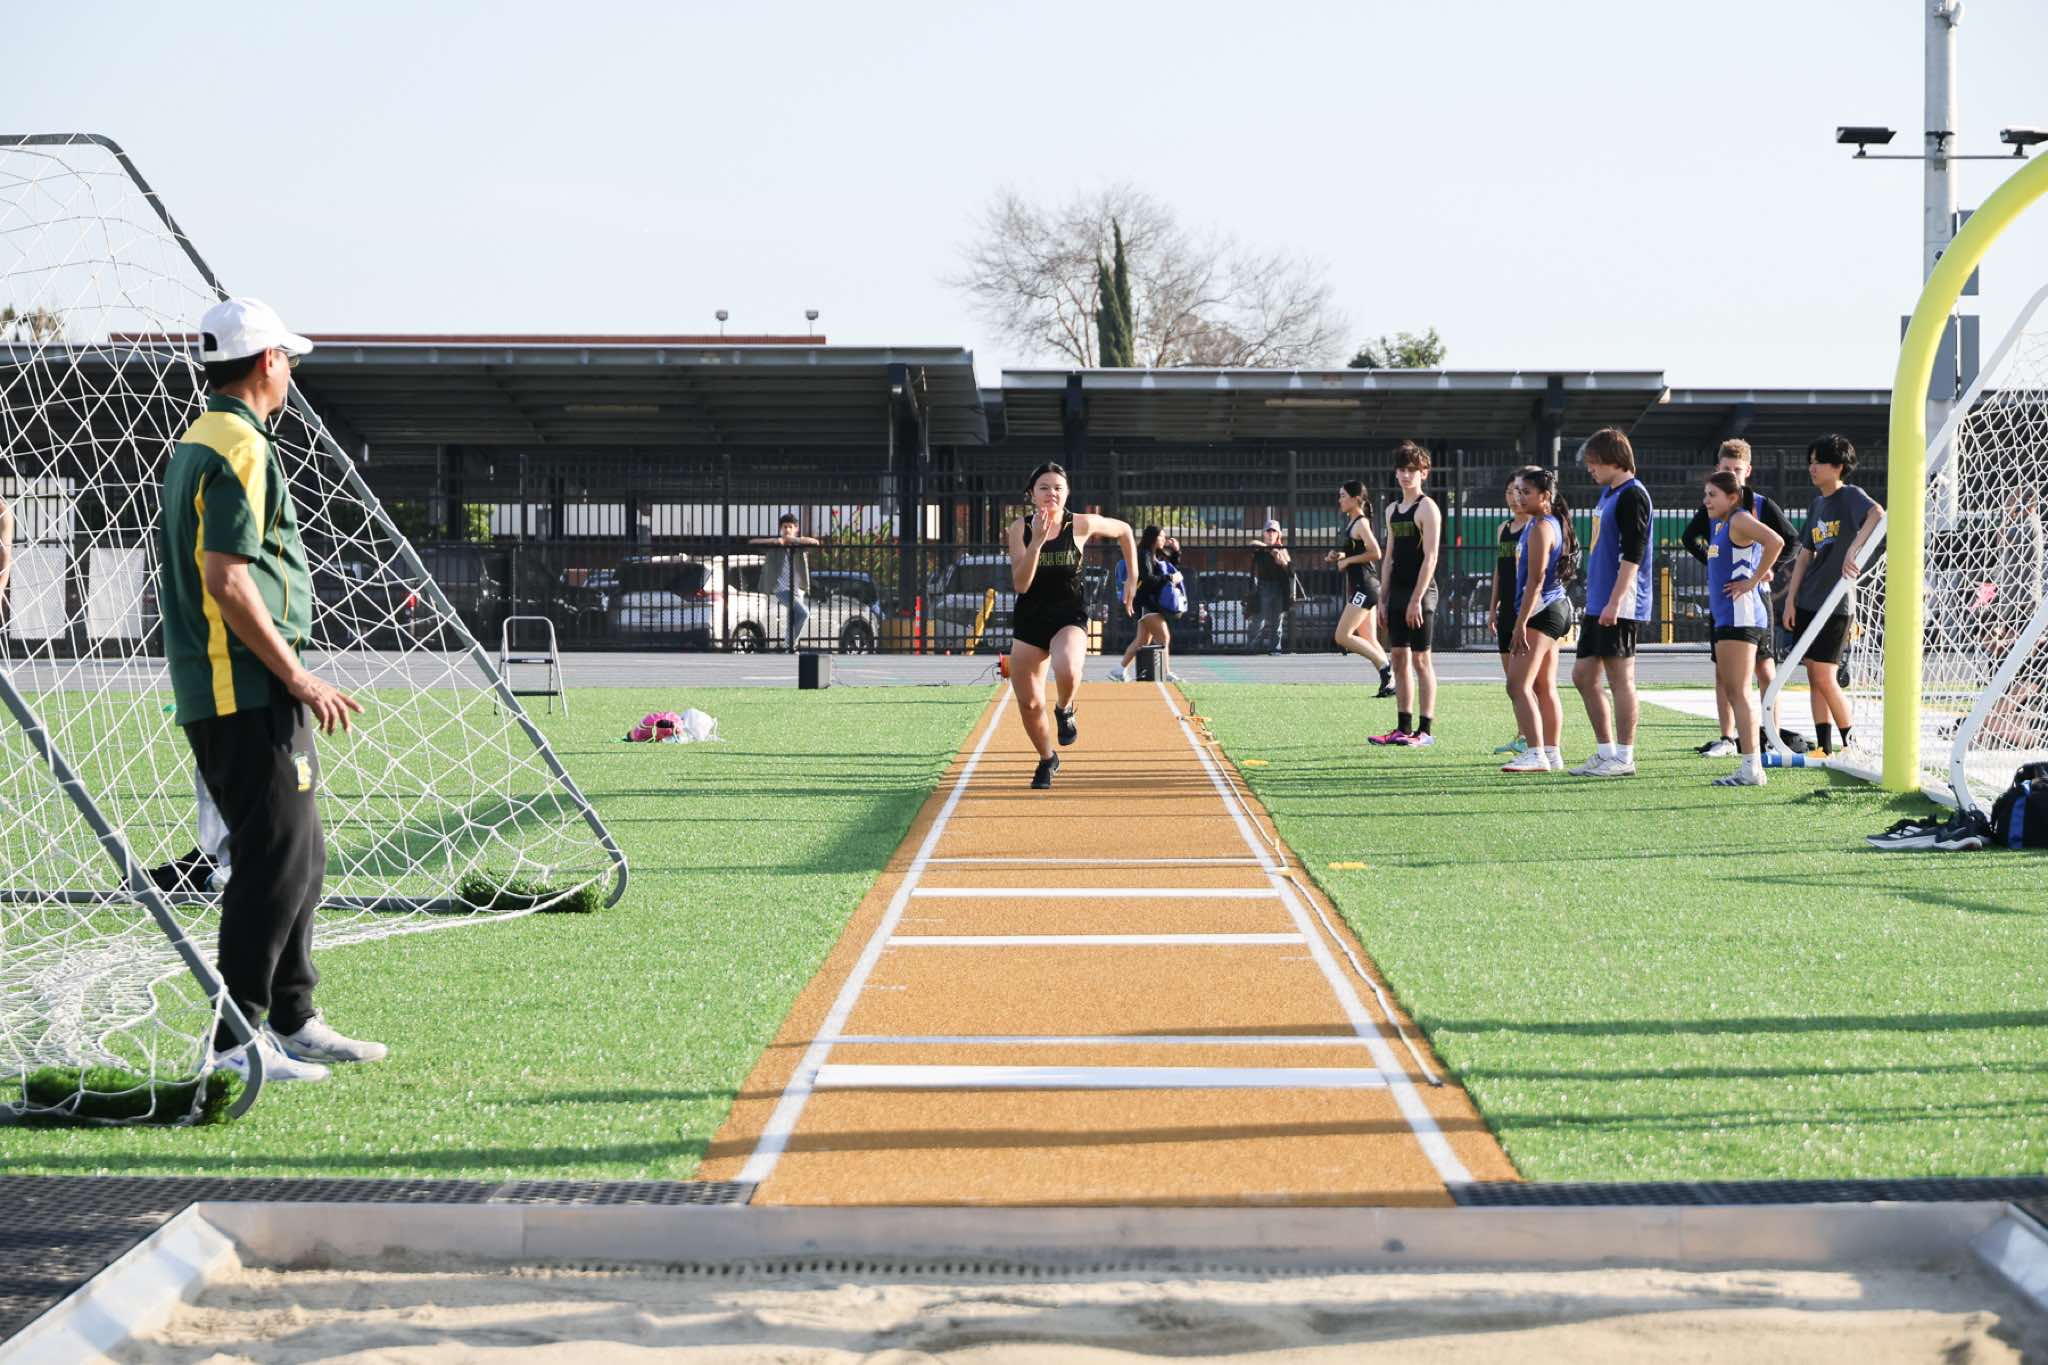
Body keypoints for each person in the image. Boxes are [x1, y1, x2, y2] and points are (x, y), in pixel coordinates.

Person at [158, 297, 381, 1085]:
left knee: (299, 851)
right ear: (266, 362)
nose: (291, 370)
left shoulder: (205, 437)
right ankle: (235, 1039)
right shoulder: (239, 445)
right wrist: (296, 672)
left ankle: (293, 1016)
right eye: (288, 357)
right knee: (275, 858)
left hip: (237, 685)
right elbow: (227, 578)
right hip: (244, 686)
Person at [1007, 462, 1136, 788]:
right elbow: (1021, 584)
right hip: (1031, 618)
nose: (1051, 493)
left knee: (1067, 668)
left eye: (1058, 488)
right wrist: (1036, 542)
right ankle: (1047, 759)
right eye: (1044, 487)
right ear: (1032, 494)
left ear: (1067, 494)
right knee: (1030, 703)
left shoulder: (1080, 524)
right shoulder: (1018, 529)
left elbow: (1124, 530)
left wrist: (1132, 576)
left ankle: (1064, 709)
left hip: (1069, 614)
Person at [1681, 439, 1799, 756]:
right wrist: (1714, 562)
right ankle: (1728, 738)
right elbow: (1689, 538)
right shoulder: (1716, 509)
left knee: (1762, 672)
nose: (1731, 474)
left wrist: (1764, 572)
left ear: (1747, 471)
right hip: (1727, 602)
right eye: (1725, 468)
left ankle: (1769, 738)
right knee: (1726, 676)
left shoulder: (1752, 509)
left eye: (1736, 469)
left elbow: (1787, 541)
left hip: (1750, 603)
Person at [1780, 434, 1884, 756]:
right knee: (1814, 676)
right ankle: (1824, 748)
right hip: (1808, 601)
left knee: (1826, 676)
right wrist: (1790, 600)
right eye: (1810, 462)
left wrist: (1855, 548)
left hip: (1836, 604)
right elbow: (1805, 554)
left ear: (1838, 466)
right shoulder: (1817, 505)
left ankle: (1852, 745)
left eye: (1820, 462)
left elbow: (1878, 514)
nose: (1812, 468)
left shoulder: (1850, 495)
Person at [1570, 428, 1654, 777]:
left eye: (1594, 462)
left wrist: (1615, 602)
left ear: (1613, 460)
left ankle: (1624, 756)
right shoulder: (1609, 493)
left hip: (1620, 602)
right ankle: (1606, 752)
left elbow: (1633, 554)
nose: (1590, 468)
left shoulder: (1633, 495)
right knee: (1583, 675)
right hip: (1599, 600)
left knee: (1621, 679)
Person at [1701, 470, 1786, 787]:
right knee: (1734, 689)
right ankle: (1750, 764)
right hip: (1729, 618)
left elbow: (1776, 541)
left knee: (1738, 691)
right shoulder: (1724, 524)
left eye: (1713, 495)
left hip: (1741, 617)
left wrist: (1753, 580)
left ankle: (1752, 767)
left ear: (1733, 497)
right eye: (1706, 494)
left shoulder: (1738, 519)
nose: (1706, 501)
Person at [1500, 468, 1577, 774]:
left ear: (1545, 496)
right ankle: (1551, 753)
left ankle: (1536, 754)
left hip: (1543, 610)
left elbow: (1536, 580)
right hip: (1552, 608)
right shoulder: (1542, 522)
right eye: (1517, 491)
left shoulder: (1542, 526)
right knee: (1543, 686)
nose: (1519, 497)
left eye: (1526, 492)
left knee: (1517, 685)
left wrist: (1520, 623)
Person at [1369, 441, 1442, 747]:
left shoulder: (1427, 508)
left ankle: (1425, 731)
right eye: (1401, 469)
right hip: (1397, 592)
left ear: (1424, 472)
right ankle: (1403, 727)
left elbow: (1431, 557)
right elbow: (1388, 558)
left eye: (1412, 469)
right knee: (1399, 658)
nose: (1406, 475)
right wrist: (1382, 599)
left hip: (1421, 594)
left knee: (1421, 660)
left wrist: (1415, 599)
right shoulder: (1391, 510)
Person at [1324, 481, 1395, 698]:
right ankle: (1391, 682)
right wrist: (1340, 556)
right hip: (1363, 587)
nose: (1340, 500)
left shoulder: (1361, 522)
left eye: (1343, 496)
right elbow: (1359, 553)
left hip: (1365, 588)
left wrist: (1347, 561)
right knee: (1369, 638)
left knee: (1342, 636)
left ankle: (1385, 666)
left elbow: (1376, 553)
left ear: (1356, 499)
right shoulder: (1351, 522)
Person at [1489, 471, 1536, 755]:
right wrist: (1492, 606)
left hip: (1526, 610)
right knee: (1512, 681)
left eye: (1518, 492)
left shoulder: (1535, 527)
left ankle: (1537, 739)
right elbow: (1499, 570)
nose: (1513, 498)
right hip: (1506, 609)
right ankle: (1522, 734)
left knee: (1527, 681)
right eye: (1509, 492)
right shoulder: (1503, 528)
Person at [1109, 526, 1184, 683]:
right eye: (1161, 536)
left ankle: (1119, 670)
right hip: (1146, 602)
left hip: (1150, 603)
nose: (1164, 539)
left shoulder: (1155, 554)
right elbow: (1148, 579)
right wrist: (1169, 578)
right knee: (1164, 637)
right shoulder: (1143, 555)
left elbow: (1171, 568)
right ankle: (1166, 673)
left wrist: (1176, 552)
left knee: (1142, 640)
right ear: (1154, 538)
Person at [749, 512, 821, 652]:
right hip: (781, 588)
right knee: (804, 613)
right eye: (784, 527)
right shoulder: (776, 545)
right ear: (780, 529)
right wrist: (774, 541)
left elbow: (815, 543)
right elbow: (752, 542)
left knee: (793, 619)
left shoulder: (798, 545)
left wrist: (794, 540)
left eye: (790, 527)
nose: (787, 529)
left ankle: (790, 648)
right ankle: (789, 644)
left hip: (798, 588)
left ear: (796, 529)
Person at [1248, 520, 1294, 654]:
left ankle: (1275, 649)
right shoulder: (1260, 549)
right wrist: (1269, 549)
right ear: (1264, 533)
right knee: (1258, 619)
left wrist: (1282, 562)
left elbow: (1292, 571)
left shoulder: (1282, 550)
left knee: (1277, 621)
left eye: (1274, 531)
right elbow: (1251, 544)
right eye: (1268, 531)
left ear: (1278, 534)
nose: (1271, 533)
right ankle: (1252, 648)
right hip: (1263, 587)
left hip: (1279, 588)